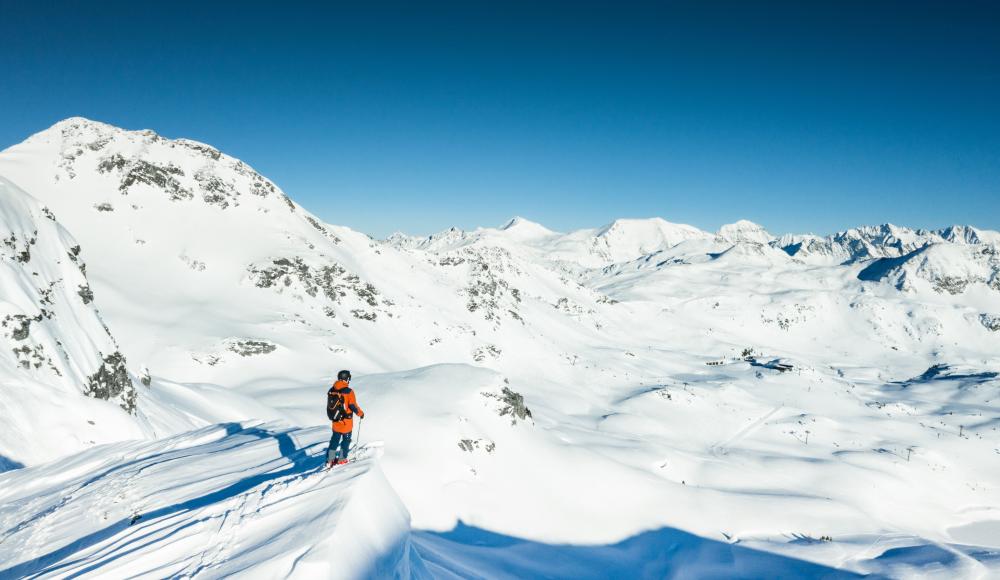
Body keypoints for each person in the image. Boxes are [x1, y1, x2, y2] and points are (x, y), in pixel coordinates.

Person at [326, 369, 364, 468]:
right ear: (346, 378)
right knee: (345, 441)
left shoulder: (331, 390)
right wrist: (360, 413)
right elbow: (353, 406)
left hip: (335, 421)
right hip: (346, 422)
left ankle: (330, 460)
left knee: (334, 440)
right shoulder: (349, 391)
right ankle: (342, 459)